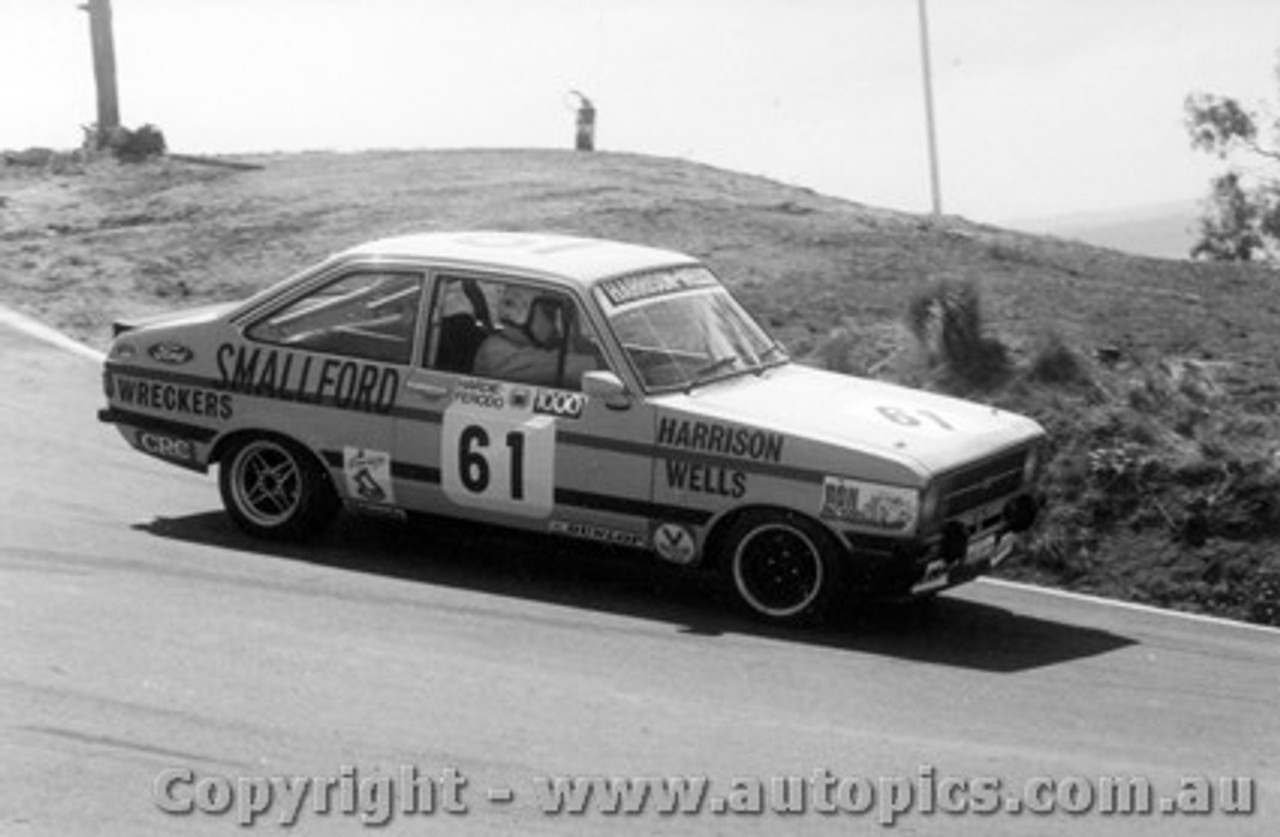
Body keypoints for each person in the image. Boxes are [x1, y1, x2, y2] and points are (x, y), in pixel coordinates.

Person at [472, 285, 599, 388]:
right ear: (523, 314)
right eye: (549, 314)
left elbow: (577, 347)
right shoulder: (497, 354)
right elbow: (571, 369)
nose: (554, 323)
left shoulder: (529, 342)